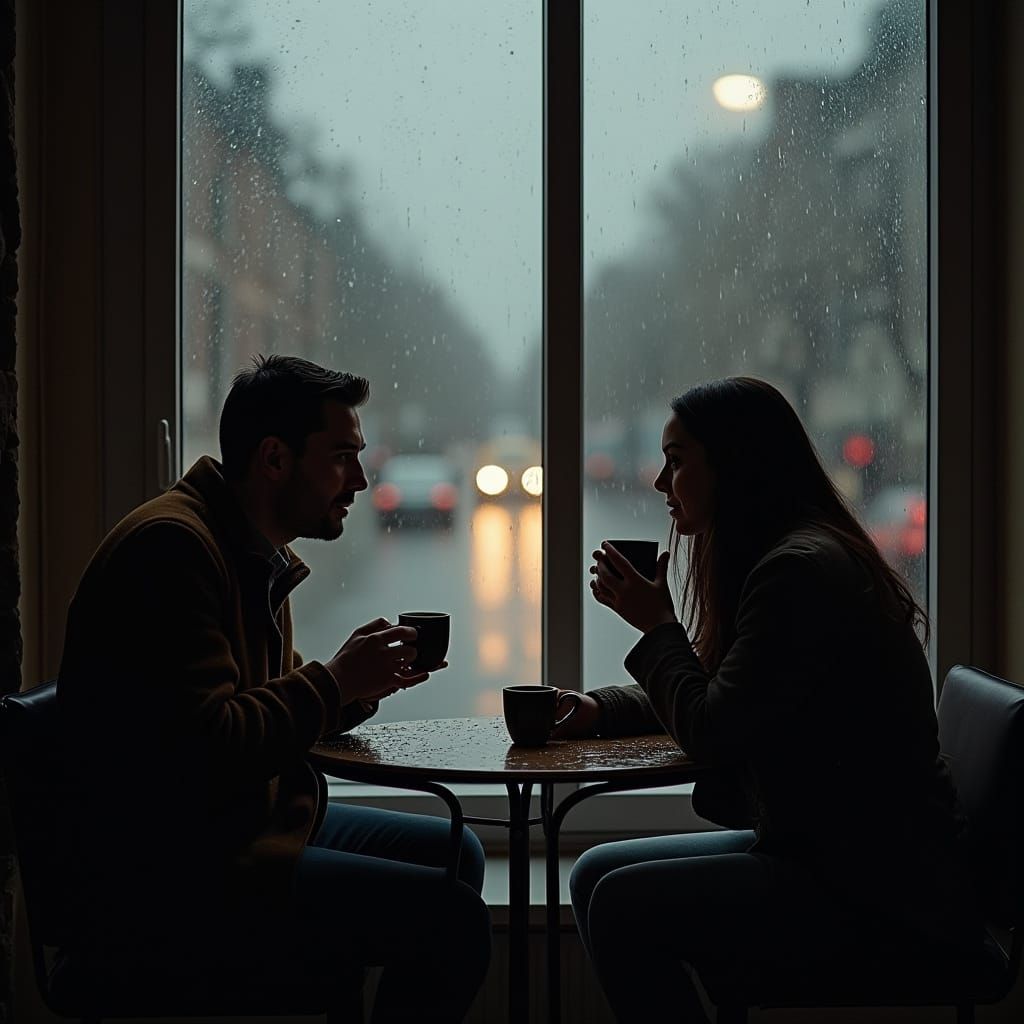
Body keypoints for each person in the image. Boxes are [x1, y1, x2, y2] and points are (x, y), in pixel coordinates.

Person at [56, 355, 491, 1023]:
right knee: (454, 922)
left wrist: (357, 685)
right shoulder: (173, 551)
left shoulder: (246, 546)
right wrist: (336, 679)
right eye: (343, 456)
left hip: (243, 827)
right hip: (175, 873)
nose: (361, 479)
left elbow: (277, 703)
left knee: (459, 851)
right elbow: (213, 744)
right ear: (275, 460)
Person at [553, 377, 982, 1023]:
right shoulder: (793, 557)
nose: (658, 482)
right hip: (845, 855)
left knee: (618, 901)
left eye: (676, 460)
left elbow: (714, 729)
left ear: (733, 463)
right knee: (594, 874)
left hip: (875, 888)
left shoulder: (799, 572)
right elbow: (733, 685)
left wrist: (658, 627)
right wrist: (602, 710)